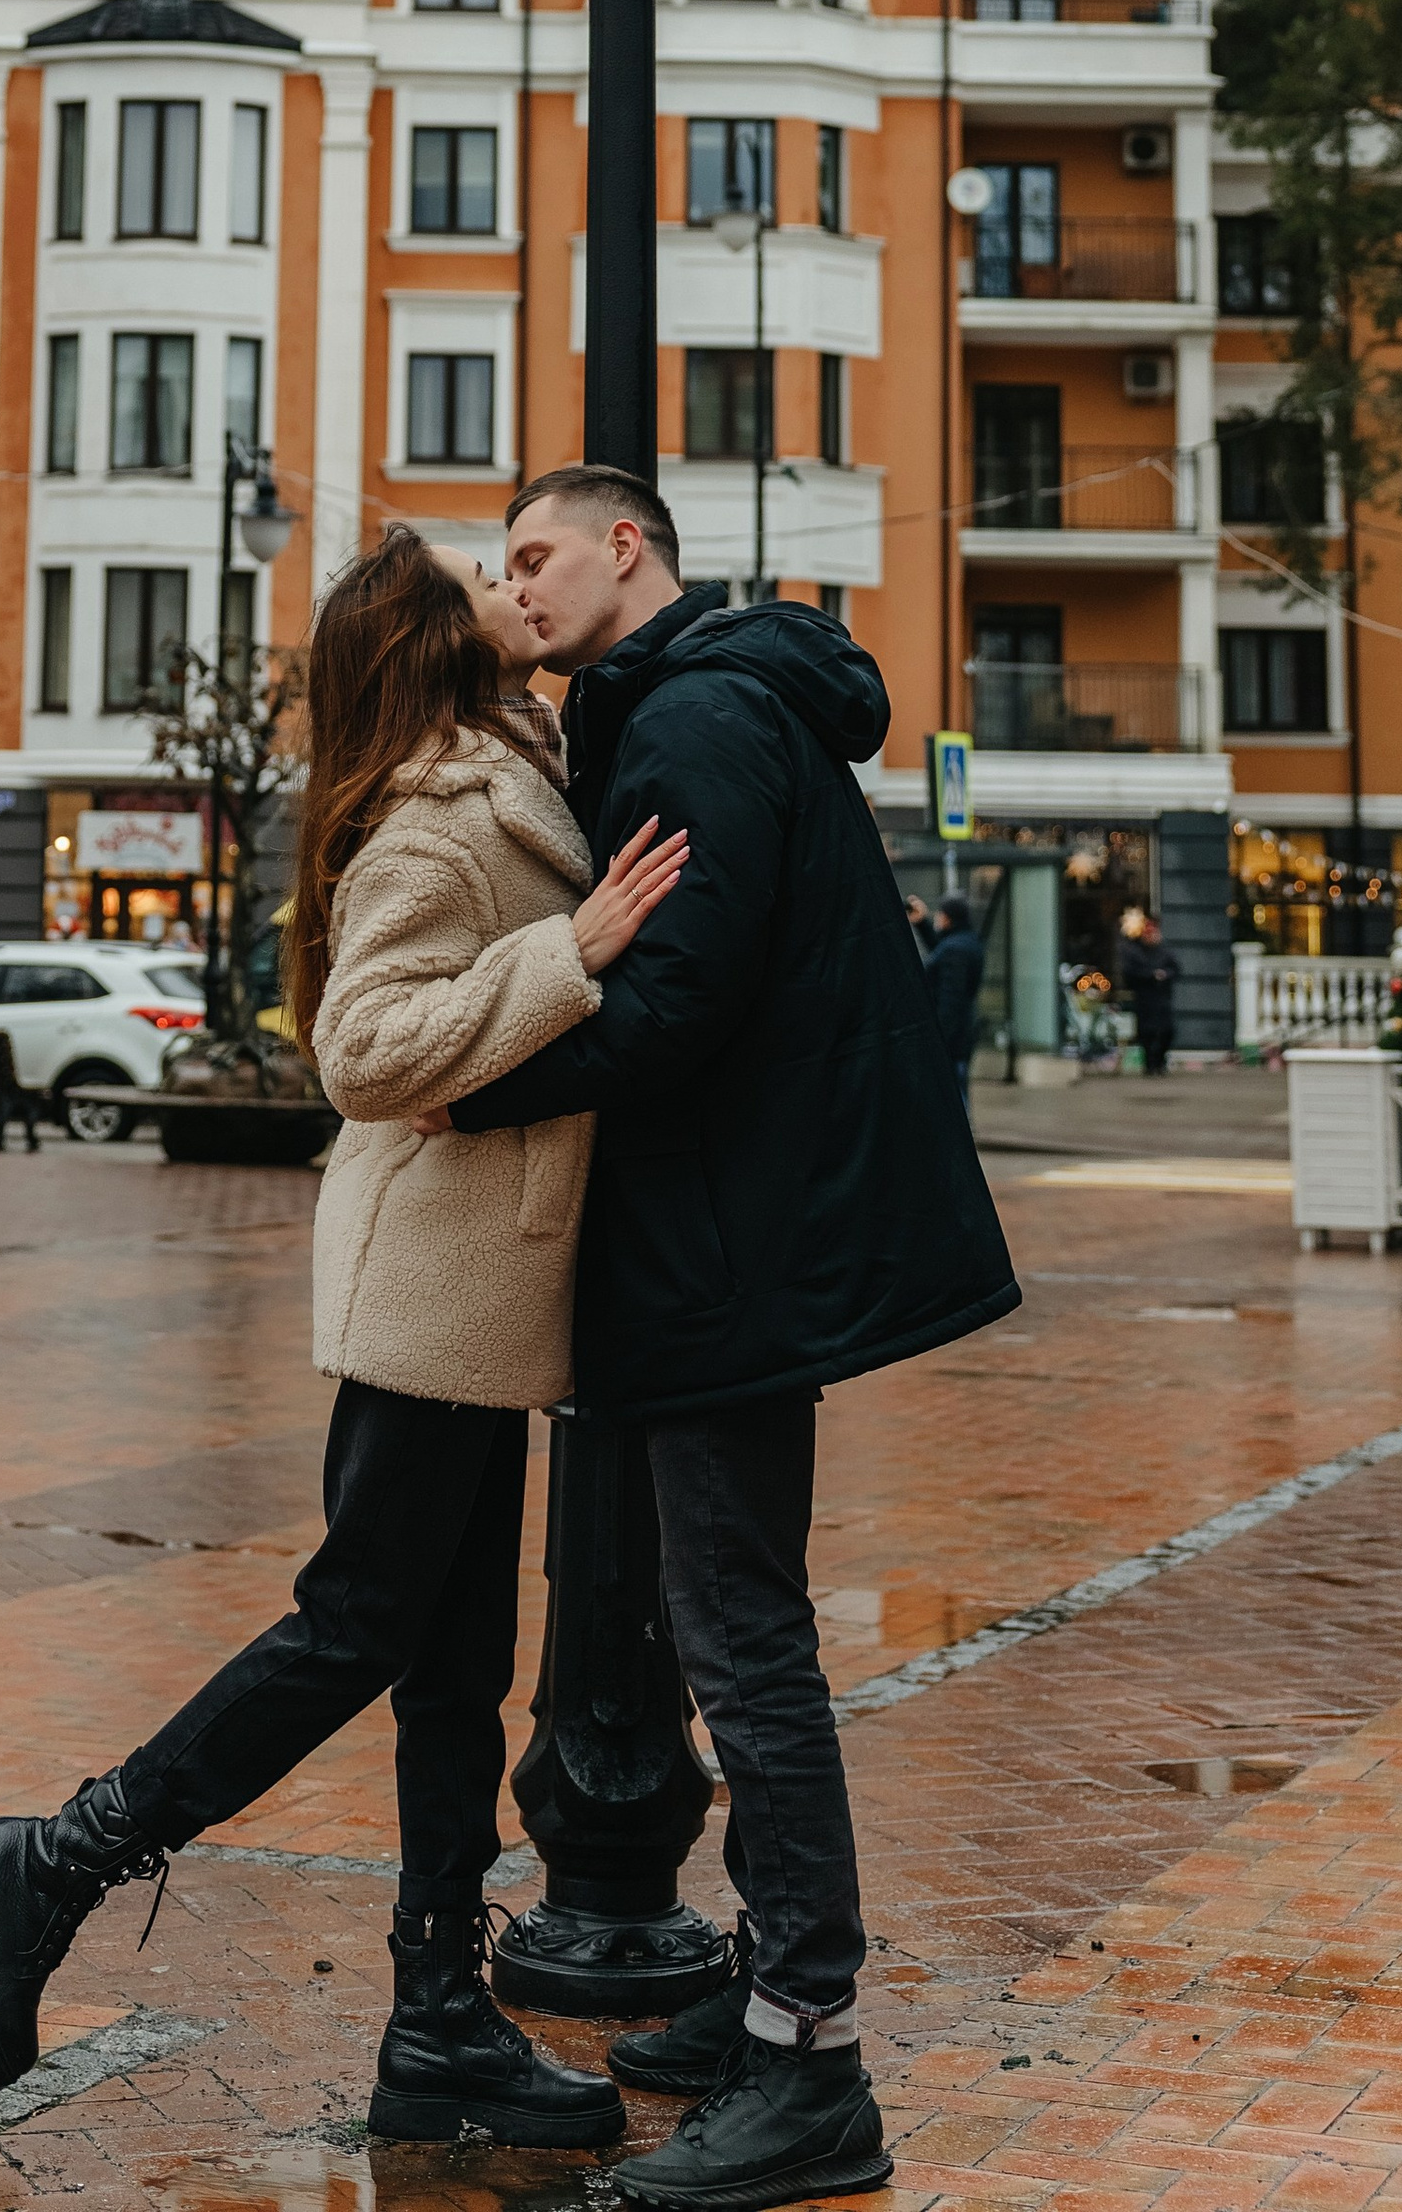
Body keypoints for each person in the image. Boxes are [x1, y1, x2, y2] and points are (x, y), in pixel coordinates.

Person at [0, 525, 689, 2147]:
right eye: (487, 570)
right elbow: (362, 1047)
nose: (513, 575)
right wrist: (575, 951)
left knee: (453, 1676)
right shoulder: (430, 813)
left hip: (476, 1298)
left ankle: (436, 2030)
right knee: (358, 1626)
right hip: (434, 1290)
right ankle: (53, 1865)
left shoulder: (502, 761)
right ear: (435, 636)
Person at [444, 465, 1022, 2212]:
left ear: (630, 546)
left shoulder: (693, 718)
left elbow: (675, 1003)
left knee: (746, 1642)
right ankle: (768, 2007)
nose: (517, 588)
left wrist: (480, 1084)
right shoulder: (724, 692)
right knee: (734, 1625)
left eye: (535, 554)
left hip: (728, 1257)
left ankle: (807, 2054)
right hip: (747, 1244)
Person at [919, 892, 989, 1107]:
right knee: (956, 1085)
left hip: (952, 1036)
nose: (938, 917)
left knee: (952, 1091)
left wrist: (939, 1038)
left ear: (948, 917)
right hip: (961, 1032)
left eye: (940, 914)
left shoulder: (955, 949)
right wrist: (922, 924)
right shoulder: (966, 942)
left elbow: (951, 998)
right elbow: (942, 952)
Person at [1117, 902, 1181, 1075]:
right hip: (1145, 997)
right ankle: (1150, 1064)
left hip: (1162, 998)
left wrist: (1164, 975)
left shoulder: (1165, 952)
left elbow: (1176, 970)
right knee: (1146, 1033)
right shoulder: (1135, 952)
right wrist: (1151, 975)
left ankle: (1160, 1061)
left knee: (1167, 1032)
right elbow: (1130, 973)